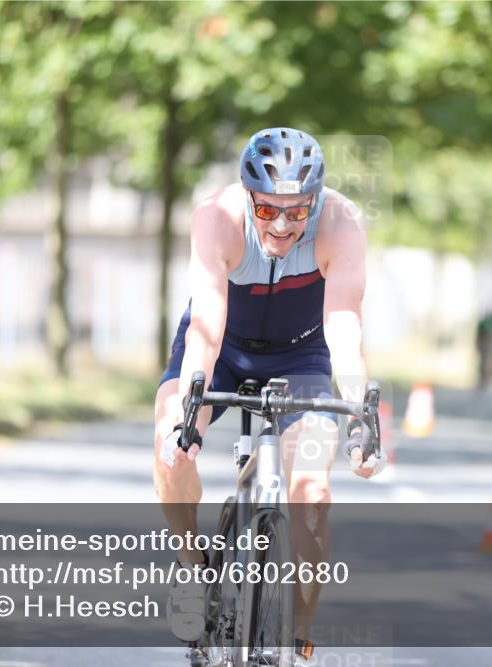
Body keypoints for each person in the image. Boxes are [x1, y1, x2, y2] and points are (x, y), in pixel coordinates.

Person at [153, 127, 384, 662]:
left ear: (317, 201)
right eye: (267, 211)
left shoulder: (342, 223)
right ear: (248, 197)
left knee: (312, 494)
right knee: (168, 438)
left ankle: (298, 630)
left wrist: (358, 420)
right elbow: (206, 324)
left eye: (297, 212)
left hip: (302, 358)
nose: (282, 225)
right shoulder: (215, 215)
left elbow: (345, 328)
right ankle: (193, 568)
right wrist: (188, 413)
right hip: (222, 350)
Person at [475, 308, 492, 389]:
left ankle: (491, 379)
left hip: (491, 343)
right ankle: (483, 380)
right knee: (484, 363)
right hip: (485, 343)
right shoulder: (483, 323)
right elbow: (479, 335)